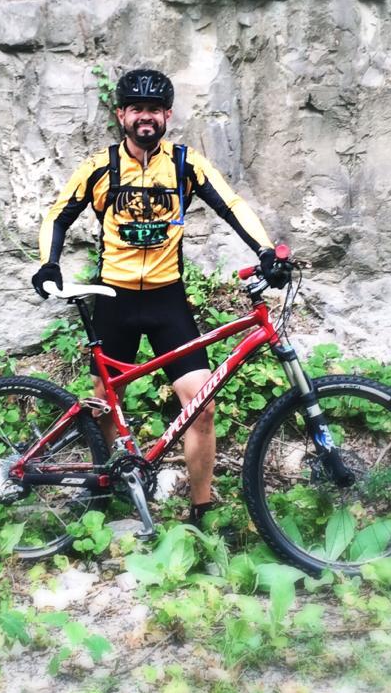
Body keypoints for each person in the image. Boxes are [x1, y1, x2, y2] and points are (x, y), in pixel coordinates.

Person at [32, 69, 278, 527]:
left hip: (167, 300)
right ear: (122, 114)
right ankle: (107, 490)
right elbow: (58, 215)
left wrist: (265, 251)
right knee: (106, 403)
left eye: (154, 109)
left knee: (201, 405)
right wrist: (49, 263)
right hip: (114, 298)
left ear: (167, 115)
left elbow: (233, 205)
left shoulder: (186, 164)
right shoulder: (99, 167)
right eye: (136, 109)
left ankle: (202, 508)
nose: (145, 118)